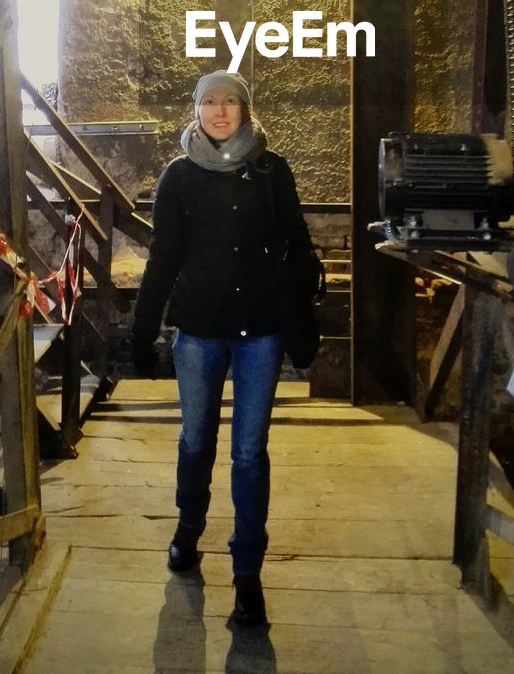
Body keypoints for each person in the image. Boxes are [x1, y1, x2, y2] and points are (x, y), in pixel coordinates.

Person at [131, 69, 314, 627]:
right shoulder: (179, 177)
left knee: (248, 452)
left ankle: (247, 574)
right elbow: (163, 257)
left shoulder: (270, 170)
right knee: (195, 438)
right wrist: (143, 330)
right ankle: (189, 526)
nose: (218, 111)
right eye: (209, 101)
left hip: (259, 331)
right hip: (200, 329)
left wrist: (301, 318)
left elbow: (298, 248)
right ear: (196, 110)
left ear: (244, 109)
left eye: (228, 101)